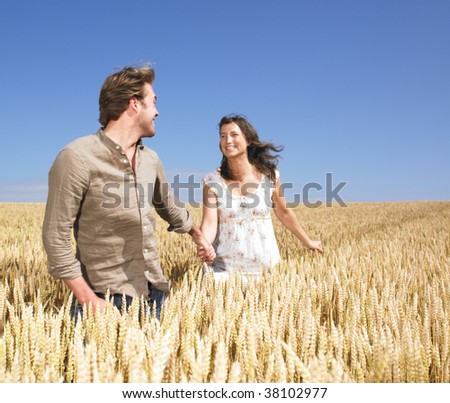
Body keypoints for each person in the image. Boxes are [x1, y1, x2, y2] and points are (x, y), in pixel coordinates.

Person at [42, 65, 215, 319]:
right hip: (104, 299)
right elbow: (54, 237)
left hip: (154, 294)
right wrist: (87, 299)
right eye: (153, 102)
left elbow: (169, 207)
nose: (157, 111)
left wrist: (198, 236)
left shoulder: (151, 160)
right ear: (134, 104)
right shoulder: (76, 157)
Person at [200, 114, 322, 280]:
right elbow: (209, 223)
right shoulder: (212, 182)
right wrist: (205, 246)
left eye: (234, 135)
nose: (228, 140)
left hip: (266, 273)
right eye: (223, 136)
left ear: (248, 140)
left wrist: (307, 241)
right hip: (225, 273)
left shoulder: (269, 176)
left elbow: (284, 212)